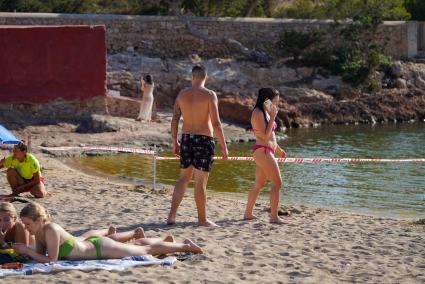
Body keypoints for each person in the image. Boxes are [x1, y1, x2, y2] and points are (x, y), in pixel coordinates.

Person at [12, 203, 202, 262]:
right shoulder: (39, 233)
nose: (26, 227)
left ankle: (186, 246)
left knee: (146, 251)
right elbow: (38, 256)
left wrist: (27, 251)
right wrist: (23, 252)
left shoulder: (51, 229)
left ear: (38, 220)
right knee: (137, 246)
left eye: (27, 223)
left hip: (99, 248)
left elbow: (52, 260)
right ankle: (164, 241)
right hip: (94, 245)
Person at [167, 65, 228, 227]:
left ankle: (172, 216)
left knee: (183, 178)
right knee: (201, 181)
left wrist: (175, 142)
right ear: (206, 77)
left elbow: (174, 120)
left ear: (192, 77)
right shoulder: (209, 95)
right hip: (204, 140)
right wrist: (224, 146)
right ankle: (202, 220)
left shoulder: (182, 94)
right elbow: (216, 123)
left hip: (187, 138)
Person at [243, 88, 288, 224]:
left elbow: (271, 136)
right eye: (274, 101)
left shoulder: (265, 112)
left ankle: (248, 213)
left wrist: (278, 149)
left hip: (268, 150)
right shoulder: (257, 113)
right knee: (277, 182)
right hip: (263, 151)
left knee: (259, 183)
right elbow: (264, 136)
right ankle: (274, 217)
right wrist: (273, 117)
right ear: (267, 100)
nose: (276, 105)